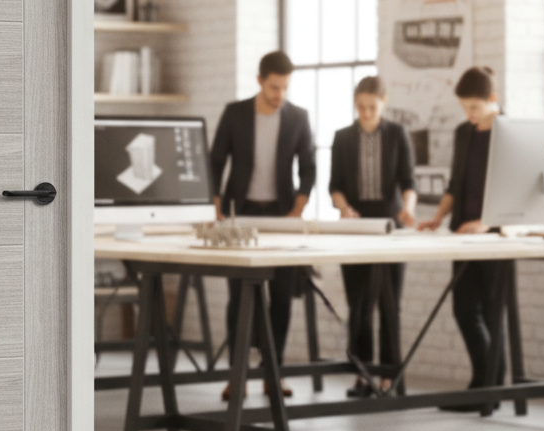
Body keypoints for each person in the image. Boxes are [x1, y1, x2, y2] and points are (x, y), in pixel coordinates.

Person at [210, 50, 316, 398]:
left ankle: (274, 373)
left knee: (282, 297)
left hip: (281, 215)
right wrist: (216, 207)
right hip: (240, 214)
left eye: (284, 87)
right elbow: (215, 161)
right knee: (238, 297)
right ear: (259, 81)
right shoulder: (235, 113)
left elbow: (309, 167)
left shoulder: (298, 117)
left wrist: (297, 209)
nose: (279, 94)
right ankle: (236, 375)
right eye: (273, 87)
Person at [418, 66, 503, 405]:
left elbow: (515, 188)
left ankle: (488, 390)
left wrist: (486, 223)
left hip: (495, 236)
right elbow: (456, 182)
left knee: (492, 311)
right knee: (464, 309)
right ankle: (484, 385)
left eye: (475, 108)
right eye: (465, 107)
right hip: (462, 232)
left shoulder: (509, 131)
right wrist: (437, 217)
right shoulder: (463, 132)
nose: (469, 115)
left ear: (492, 100)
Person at [329, 76, 417, 397]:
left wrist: (407, 209)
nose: (365, 113)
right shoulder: (342, 137)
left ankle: (389, 376)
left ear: (384, 103)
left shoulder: (397, 134)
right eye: (360, 107)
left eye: (372, 107)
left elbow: (409, 181)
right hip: (356, 226)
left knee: (390, 304)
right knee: (359, 304)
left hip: (392, 224)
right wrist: (344, 208)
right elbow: (334, 186)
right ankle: (364, 373)